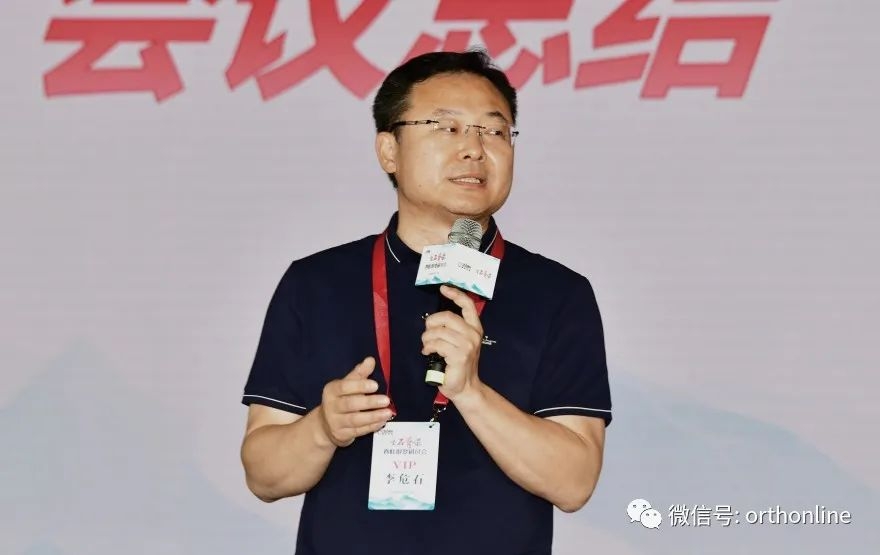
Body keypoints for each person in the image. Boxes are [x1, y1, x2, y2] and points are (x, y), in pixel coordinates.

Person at [240, 49, 612, 555]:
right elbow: (263, 475)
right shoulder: (315, 283)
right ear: (388, 150)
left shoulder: (557, 293)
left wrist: (471, 393)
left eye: (494, 131)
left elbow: (574, 483)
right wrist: (323, 427)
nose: (474, 149)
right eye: (446, 128)